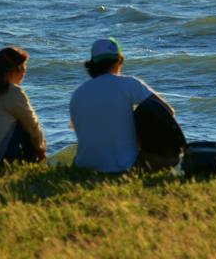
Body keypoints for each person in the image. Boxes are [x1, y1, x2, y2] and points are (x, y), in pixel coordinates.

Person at [69, 37, 178, 173]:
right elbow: (167, 111)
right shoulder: (129, 84)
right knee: (173, 158)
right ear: (118, 61)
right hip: (125, 167)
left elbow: (77, 127)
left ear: (92, 64)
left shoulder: (78, 93)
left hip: (84, 167)